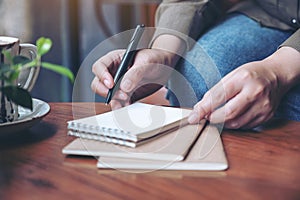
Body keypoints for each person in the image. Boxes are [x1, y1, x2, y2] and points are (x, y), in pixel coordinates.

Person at [91, 0, 300, 129]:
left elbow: (277, 73)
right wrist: (163, 55)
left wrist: (278, 72)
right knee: (197, 81)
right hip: (271, 13)